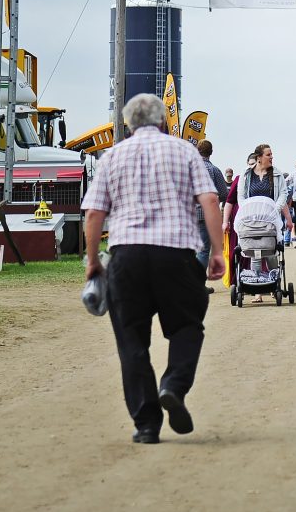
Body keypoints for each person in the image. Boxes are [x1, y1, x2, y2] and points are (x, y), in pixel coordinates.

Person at [83, 93, 224, 445]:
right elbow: (209, 199)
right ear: (163, 121)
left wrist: (93, 261)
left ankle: (146, 424)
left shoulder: (111, 156)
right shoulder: (185, 151)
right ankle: (173, 385)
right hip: (175, 254)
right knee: (187, 326)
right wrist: (218, 251)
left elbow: (94, 214)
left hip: (126, 256)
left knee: (131, 341)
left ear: (129, 123)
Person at [222, 144, 293, 303]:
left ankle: (274, 283)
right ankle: (257, 291)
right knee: (253, 252)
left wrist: (276, 208)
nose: (271, 157)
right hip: (251, 219)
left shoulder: (276, 174)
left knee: (270, 252)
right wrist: (247, 210)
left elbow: (283, 193)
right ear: (259, 157)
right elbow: (240, 197)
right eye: (269, 154)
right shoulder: (246, 175)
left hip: (270, 218)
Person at [194, 140, 229, 274]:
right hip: (206, 214)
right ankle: (197, 283)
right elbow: (224, 193)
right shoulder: (214, 170)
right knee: (203, 250)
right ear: (211, 152)